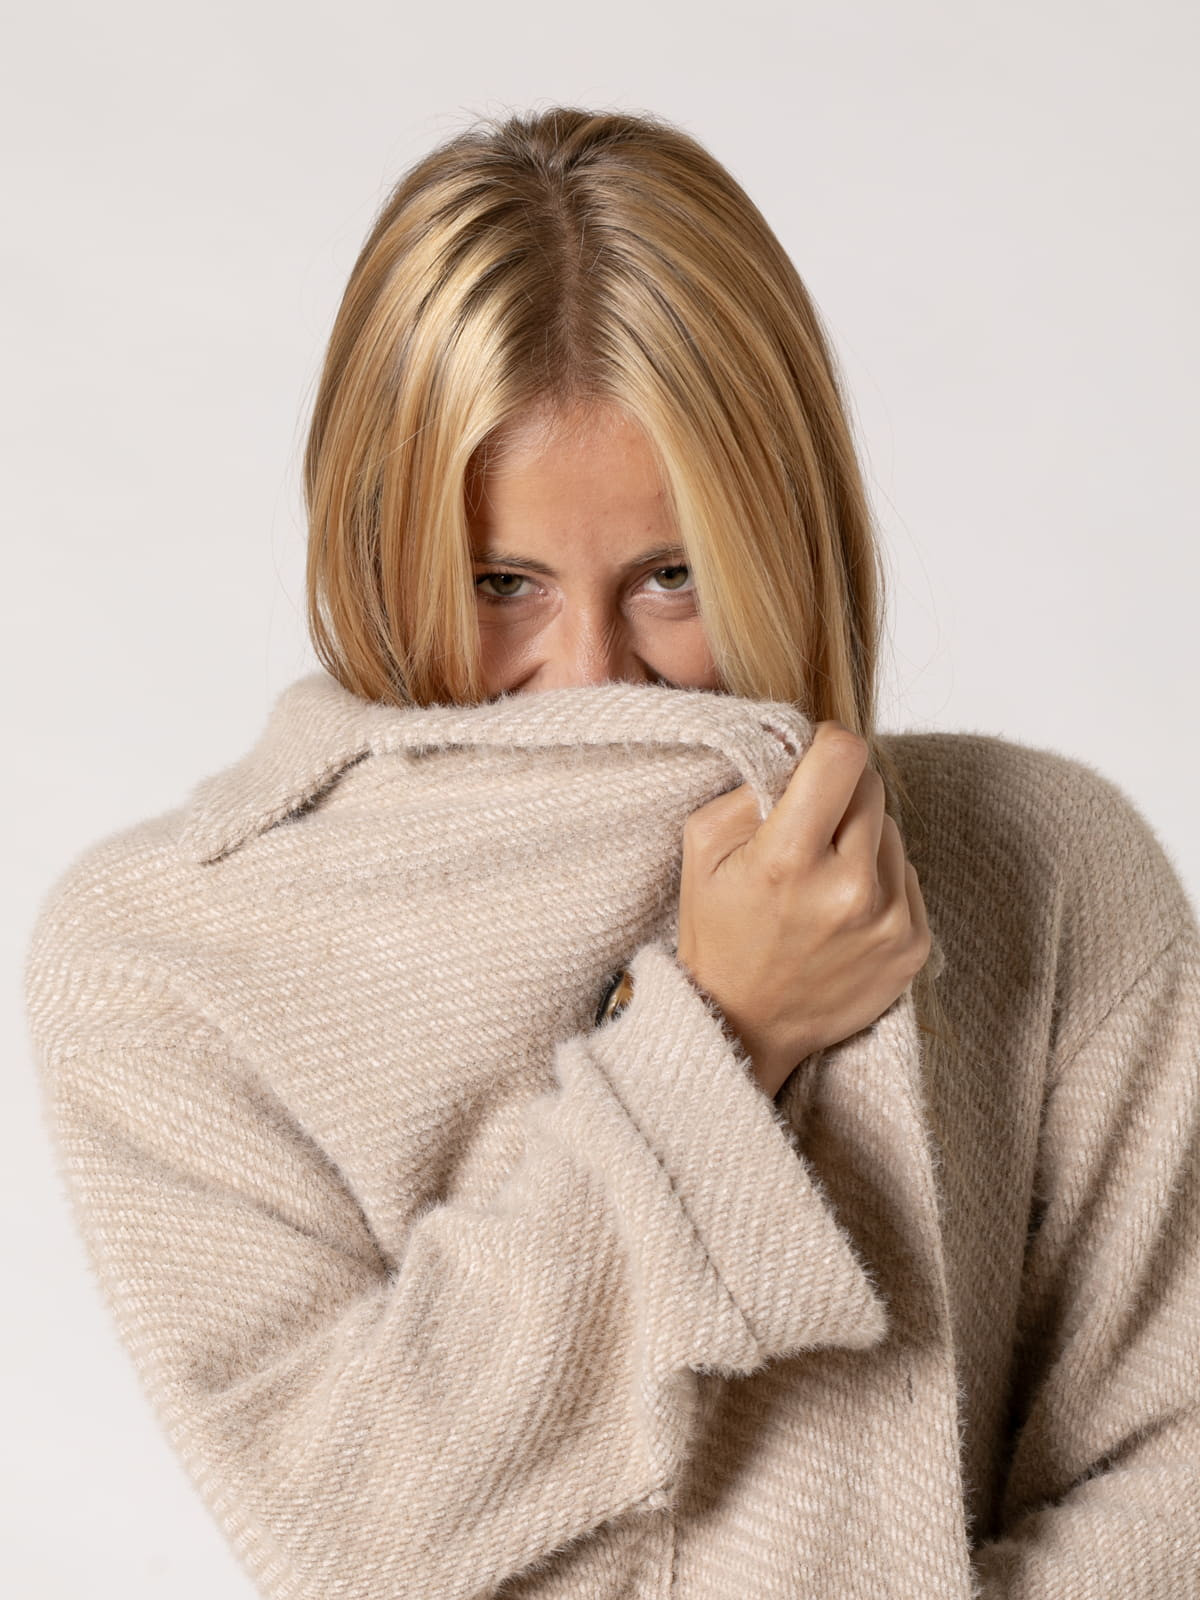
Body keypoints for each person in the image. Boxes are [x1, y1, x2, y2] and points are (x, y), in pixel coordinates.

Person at [23, 106, 1199, 1599]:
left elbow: (1177, 1467)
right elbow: (353, 1527)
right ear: (374, 552)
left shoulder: (1047, 864)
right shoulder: (168, 956)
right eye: (500, 582)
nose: (588, 672)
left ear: (790, 536)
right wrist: (720, 1042)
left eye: (674, 574)